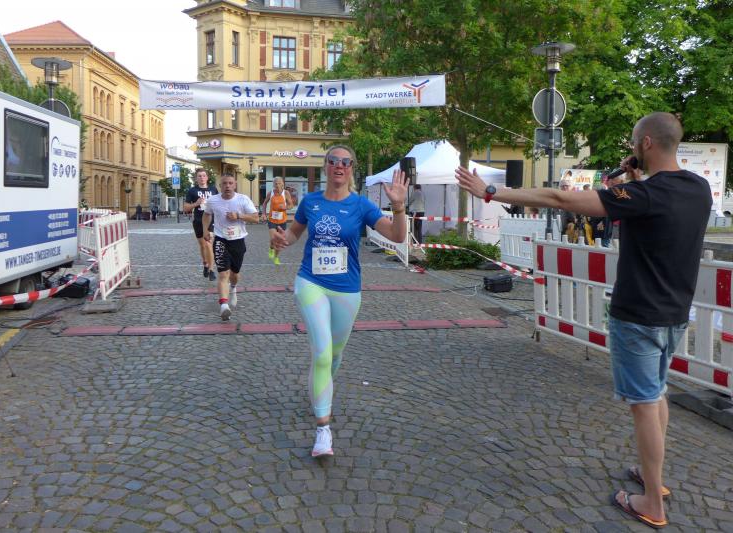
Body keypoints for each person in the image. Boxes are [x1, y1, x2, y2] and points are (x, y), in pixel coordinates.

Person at [454, 112, 711, 530]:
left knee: (644, 403)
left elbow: (561, 200)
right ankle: (653, 477)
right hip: (674, 313)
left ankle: (652, 503)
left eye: (634, 141)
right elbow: (654, 210)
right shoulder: (697, 189)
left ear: (646, 143)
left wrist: (492, 191)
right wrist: (634, 181)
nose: (632, 147)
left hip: (638, 314)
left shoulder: (643, 194)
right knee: (657, 393)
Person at [271, 145, 408, 458]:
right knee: (322, 352)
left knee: (334, 354)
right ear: (326, 166)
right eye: (333, 161)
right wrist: (281, 241)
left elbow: (397, 236)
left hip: (347, 289)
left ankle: (322, 387)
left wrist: (399, 208)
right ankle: (323, 429)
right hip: (311, 282)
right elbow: (293, 234)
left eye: (345, 162)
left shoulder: (360, 205)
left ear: (351, 169)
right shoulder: (310, 202)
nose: (339, 166)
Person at [202, 174, 258, 320]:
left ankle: (233, 288)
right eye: (224, 183)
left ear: (235, 185)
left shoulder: (243, 199)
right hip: (221, 240)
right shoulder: (213, 200)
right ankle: (223, 306)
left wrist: (239, 216)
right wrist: (205, 230)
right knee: (223, 274)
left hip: (238, 241)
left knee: (234, 274)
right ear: (220, 186)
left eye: (230, 183)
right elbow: (206, 215)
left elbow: (255, 217)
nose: (227, 186)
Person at [184, 168, 219, 281]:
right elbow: (185, 208)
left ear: (207, 177)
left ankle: (211, 270)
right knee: (203, 245)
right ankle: (205, 264)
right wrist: (196, 203)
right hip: (198, 221)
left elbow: (219, 202)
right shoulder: (192, 191)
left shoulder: (213, 189)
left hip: (211, 220)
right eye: (199, 176)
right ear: (196, 178)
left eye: (204, 175)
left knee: (208, 244)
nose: (202, 178)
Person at [261, 176, 294, 265]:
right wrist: (263, 214)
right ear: (273, 184)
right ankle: (271, 248)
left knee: (279, 241)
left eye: (279, 183)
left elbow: (291, 205)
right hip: (272, 220)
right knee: (273, 238)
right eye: (275, 183)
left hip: (282, 221)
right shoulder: (270, 193)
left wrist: (285, 207)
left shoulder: (286, 193)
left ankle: (276, 257)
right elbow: (264, 203)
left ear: (282, 184)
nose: (277, 185)